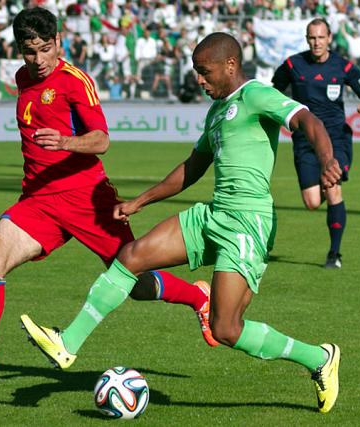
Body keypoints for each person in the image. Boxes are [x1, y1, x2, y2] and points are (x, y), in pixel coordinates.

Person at [21, 32, 343, 414]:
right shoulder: (217, 111)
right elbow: (192, 168)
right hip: (212, 215)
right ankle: (67, 343)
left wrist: (326, 162)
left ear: (230, 65)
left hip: (247, 224)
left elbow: (308, 120)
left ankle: (318, 358)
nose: (199, 81)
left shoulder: (257, 94)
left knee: (226, 329)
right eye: (196, 73)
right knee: (131, 255)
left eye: (205, 73)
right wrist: (140, 200)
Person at [0, 7, 218, 388]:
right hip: (38, 201)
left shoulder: (74, 82)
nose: (37, 60)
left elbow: (102, 140)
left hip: (87, 200)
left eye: (45, 49)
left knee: (133, 282)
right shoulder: (23, 77)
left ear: (58, 42)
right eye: (29, 51)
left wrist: (66, 142)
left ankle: (198, 298)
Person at [272, 18, 360, 269]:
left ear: (329, 38)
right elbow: (274, 91)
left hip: (335, 137)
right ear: (307, 39)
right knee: (311, 203)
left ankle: (334, 255)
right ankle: (327, 190)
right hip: (305, 141)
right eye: (312, 38)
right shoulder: (292, 64)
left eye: (321, 37)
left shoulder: (343, 66)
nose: (316, 42)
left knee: (332, 186)